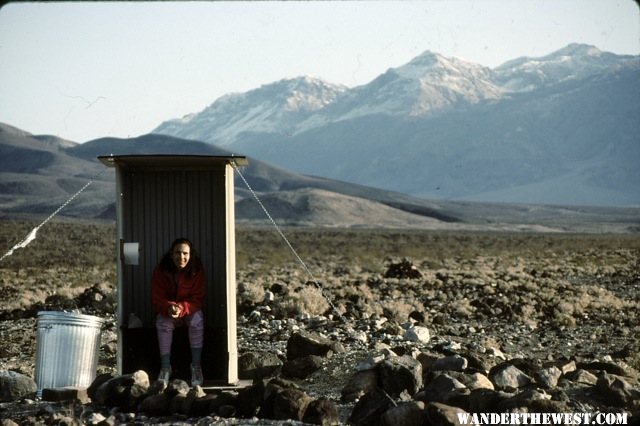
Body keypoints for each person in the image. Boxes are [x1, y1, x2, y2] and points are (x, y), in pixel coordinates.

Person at [151, 238, 206, 387]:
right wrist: (169, 307)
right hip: (168, 311)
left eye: (185, 253)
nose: (181, 257)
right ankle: (165, 368)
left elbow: (197, 299)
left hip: (187, 310)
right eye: (177, 253)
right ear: (171, 254)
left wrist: (182, 308)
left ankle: (196, 367)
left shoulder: (197, 271)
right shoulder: (161, 271)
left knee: (197, 320)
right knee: (163, 322)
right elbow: (157, 298)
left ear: (191, 255)